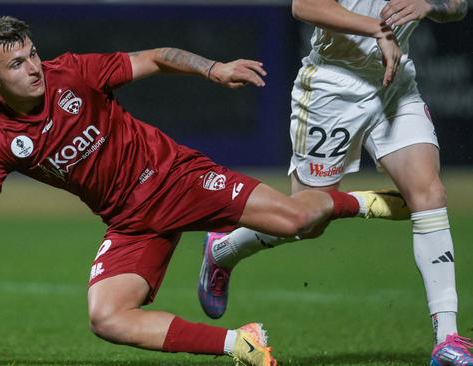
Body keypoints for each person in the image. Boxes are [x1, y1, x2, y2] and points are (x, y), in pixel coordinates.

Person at [0, 16, 408, 366]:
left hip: (175, 177)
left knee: (302, 220)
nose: (33, 67)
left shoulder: (74, 74)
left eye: (32, 54)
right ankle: (241, 344)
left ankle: (369, 201)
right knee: (106, 318)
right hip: (130, 221)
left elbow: (154, 57)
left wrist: (213, 68)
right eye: (17, 64)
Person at [197, 1, 472, 365]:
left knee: (430, 194)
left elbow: (459, 6)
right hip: (333, 88)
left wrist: (428, 5)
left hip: (394, 83)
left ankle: (447, 340)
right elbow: (304, 6)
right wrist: (377, 28)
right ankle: (224, 250)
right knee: (307, 220)